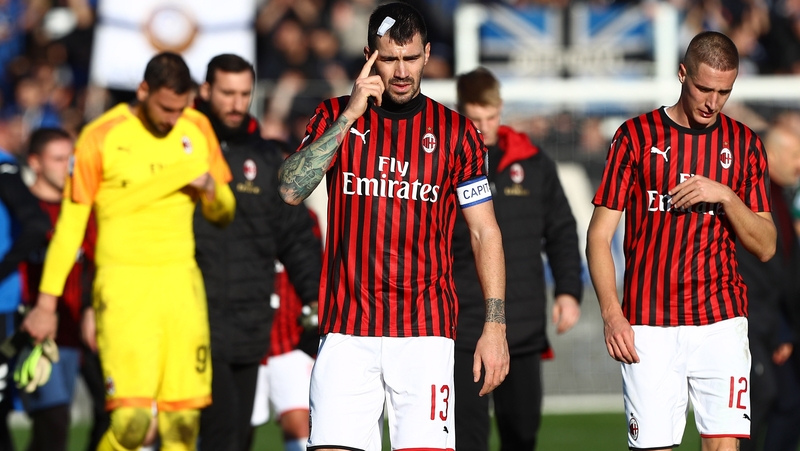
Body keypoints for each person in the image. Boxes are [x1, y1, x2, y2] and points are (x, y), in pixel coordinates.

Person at [278, 3, 510, 450]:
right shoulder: (333, 117)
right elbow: (289, 189)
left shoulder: (457, 133)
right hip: (346, 331)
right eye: (388, 58)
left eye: (410, 57)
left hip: (424, 335)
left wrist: (495, 326)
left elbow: (485, 232)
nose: (401, 71)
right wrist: (349, 115)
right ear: (369, 56)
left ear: (426, 55)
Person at [20, 52, 236, 451]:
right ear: (143, 91)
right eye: (165, 107)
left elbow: (224, 212)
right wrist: (47, 303)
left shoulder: (198, 127)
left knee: (184, 423)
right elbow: (70, 227)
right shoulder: (100, 136)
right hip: (123, 287)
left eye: (181, 107)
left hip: (180, 287)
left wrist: (211, 190)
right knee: (132, 422)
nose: (173, 118)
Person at [586, 31, 776, 451]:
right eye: (704, 88)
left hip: (720, 323)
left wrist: (725, 195)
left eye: (724, 92)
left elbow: (766, 244)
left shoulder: (744, 145)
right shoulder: (635, 137)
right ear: (682, 73)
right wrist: (611, 314)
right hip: (648, 326)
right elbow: (599, 236)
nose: (713, 102)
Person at [193, 54, 322, 451]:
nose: (236, 103)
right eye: (227, 93)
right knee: (204, 432)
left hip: (250, 319)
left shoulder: (265, 158)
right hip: (192, 314)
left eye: (244, 94)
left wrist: (316, 295)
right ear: (205, 91)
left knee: (236, 435)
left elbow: (295, 234)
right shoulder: (182, 146)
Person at [451, 67, 583, 451]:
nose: (484, 126)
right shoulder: (446, 162)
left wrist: (568, 291)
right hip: (463, 327)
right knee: (466, 441)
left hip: (522, 329)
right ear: (460, 112)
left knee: (522, 436)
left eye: (490, 117)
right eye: (474, 119)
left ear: (501, 109)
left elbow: (561, 229)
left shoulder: (535, 164)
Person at [19, 128, 97, 451]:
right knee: (53, 423)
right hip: (38, 334)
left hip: (84, 331)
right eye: (59, 158)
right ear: (35, 163)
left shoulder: (83, 210)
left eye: (72, 159)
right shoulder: (18, 209)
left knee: (116, 415)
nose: (68, 167)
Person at [737, 121, 800, 451]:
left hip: (772, 322)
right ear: (770, 157)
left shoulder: (781, 198)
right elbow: (760, 266)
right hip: (749, 321)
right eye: (793, 155)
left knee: (785, 401)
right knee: (759, 396)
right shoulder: (755, 199)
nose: (799, 164)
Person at [249, 207, 322, 451]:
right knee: (233, 428)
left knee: (302, 424)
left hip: (292, 338)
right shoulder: (238, 208)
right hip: (245, 339)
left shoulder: (303, 217)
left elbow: (312, 266)